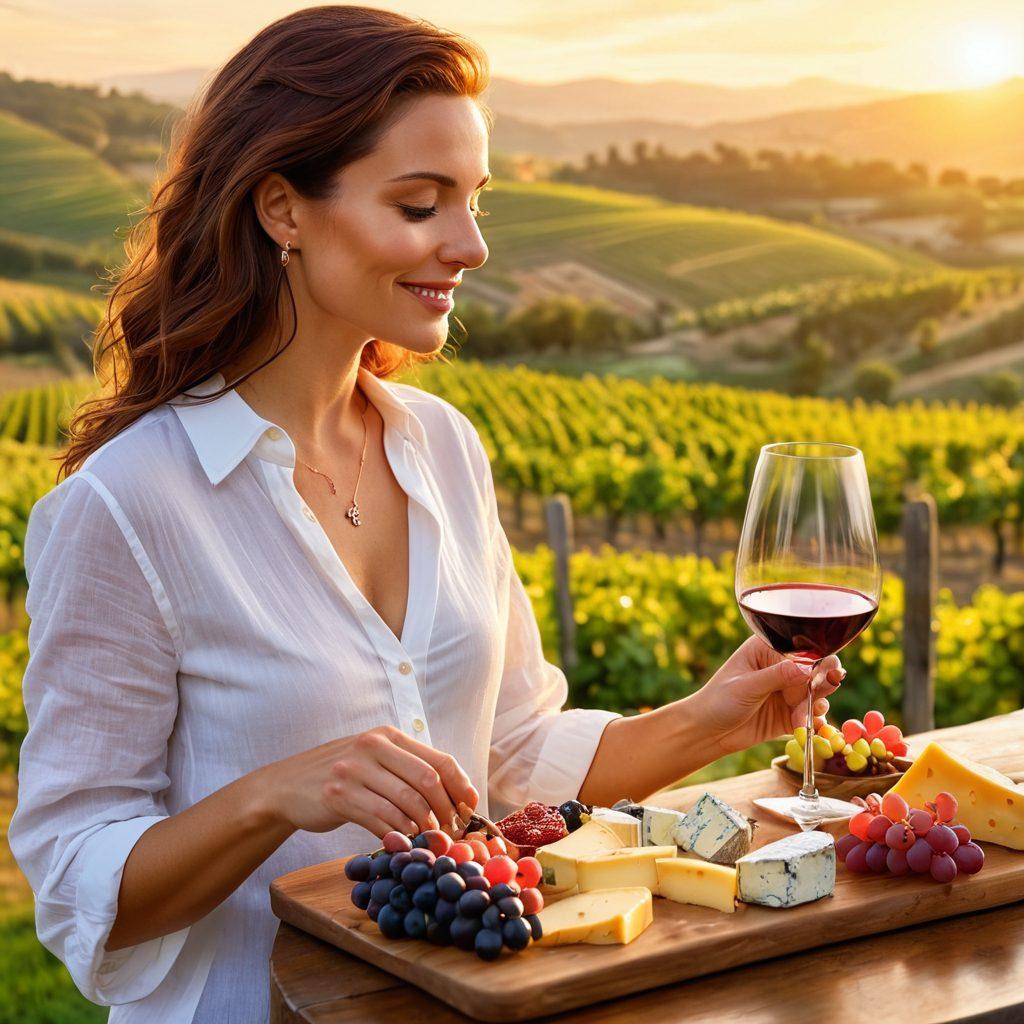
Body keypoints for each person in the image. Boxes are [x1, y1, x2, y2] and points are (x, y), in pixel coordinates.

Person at [9, 6, 844, 1023]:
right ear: (284, 209)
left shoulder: (442, 447)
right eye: (419, 205)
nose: (471, 245)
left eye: (474, 201)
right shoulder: (124, 506)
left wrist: (706, 723)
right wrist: (275, 793)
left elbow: (509, 754)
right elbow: (75, 882)